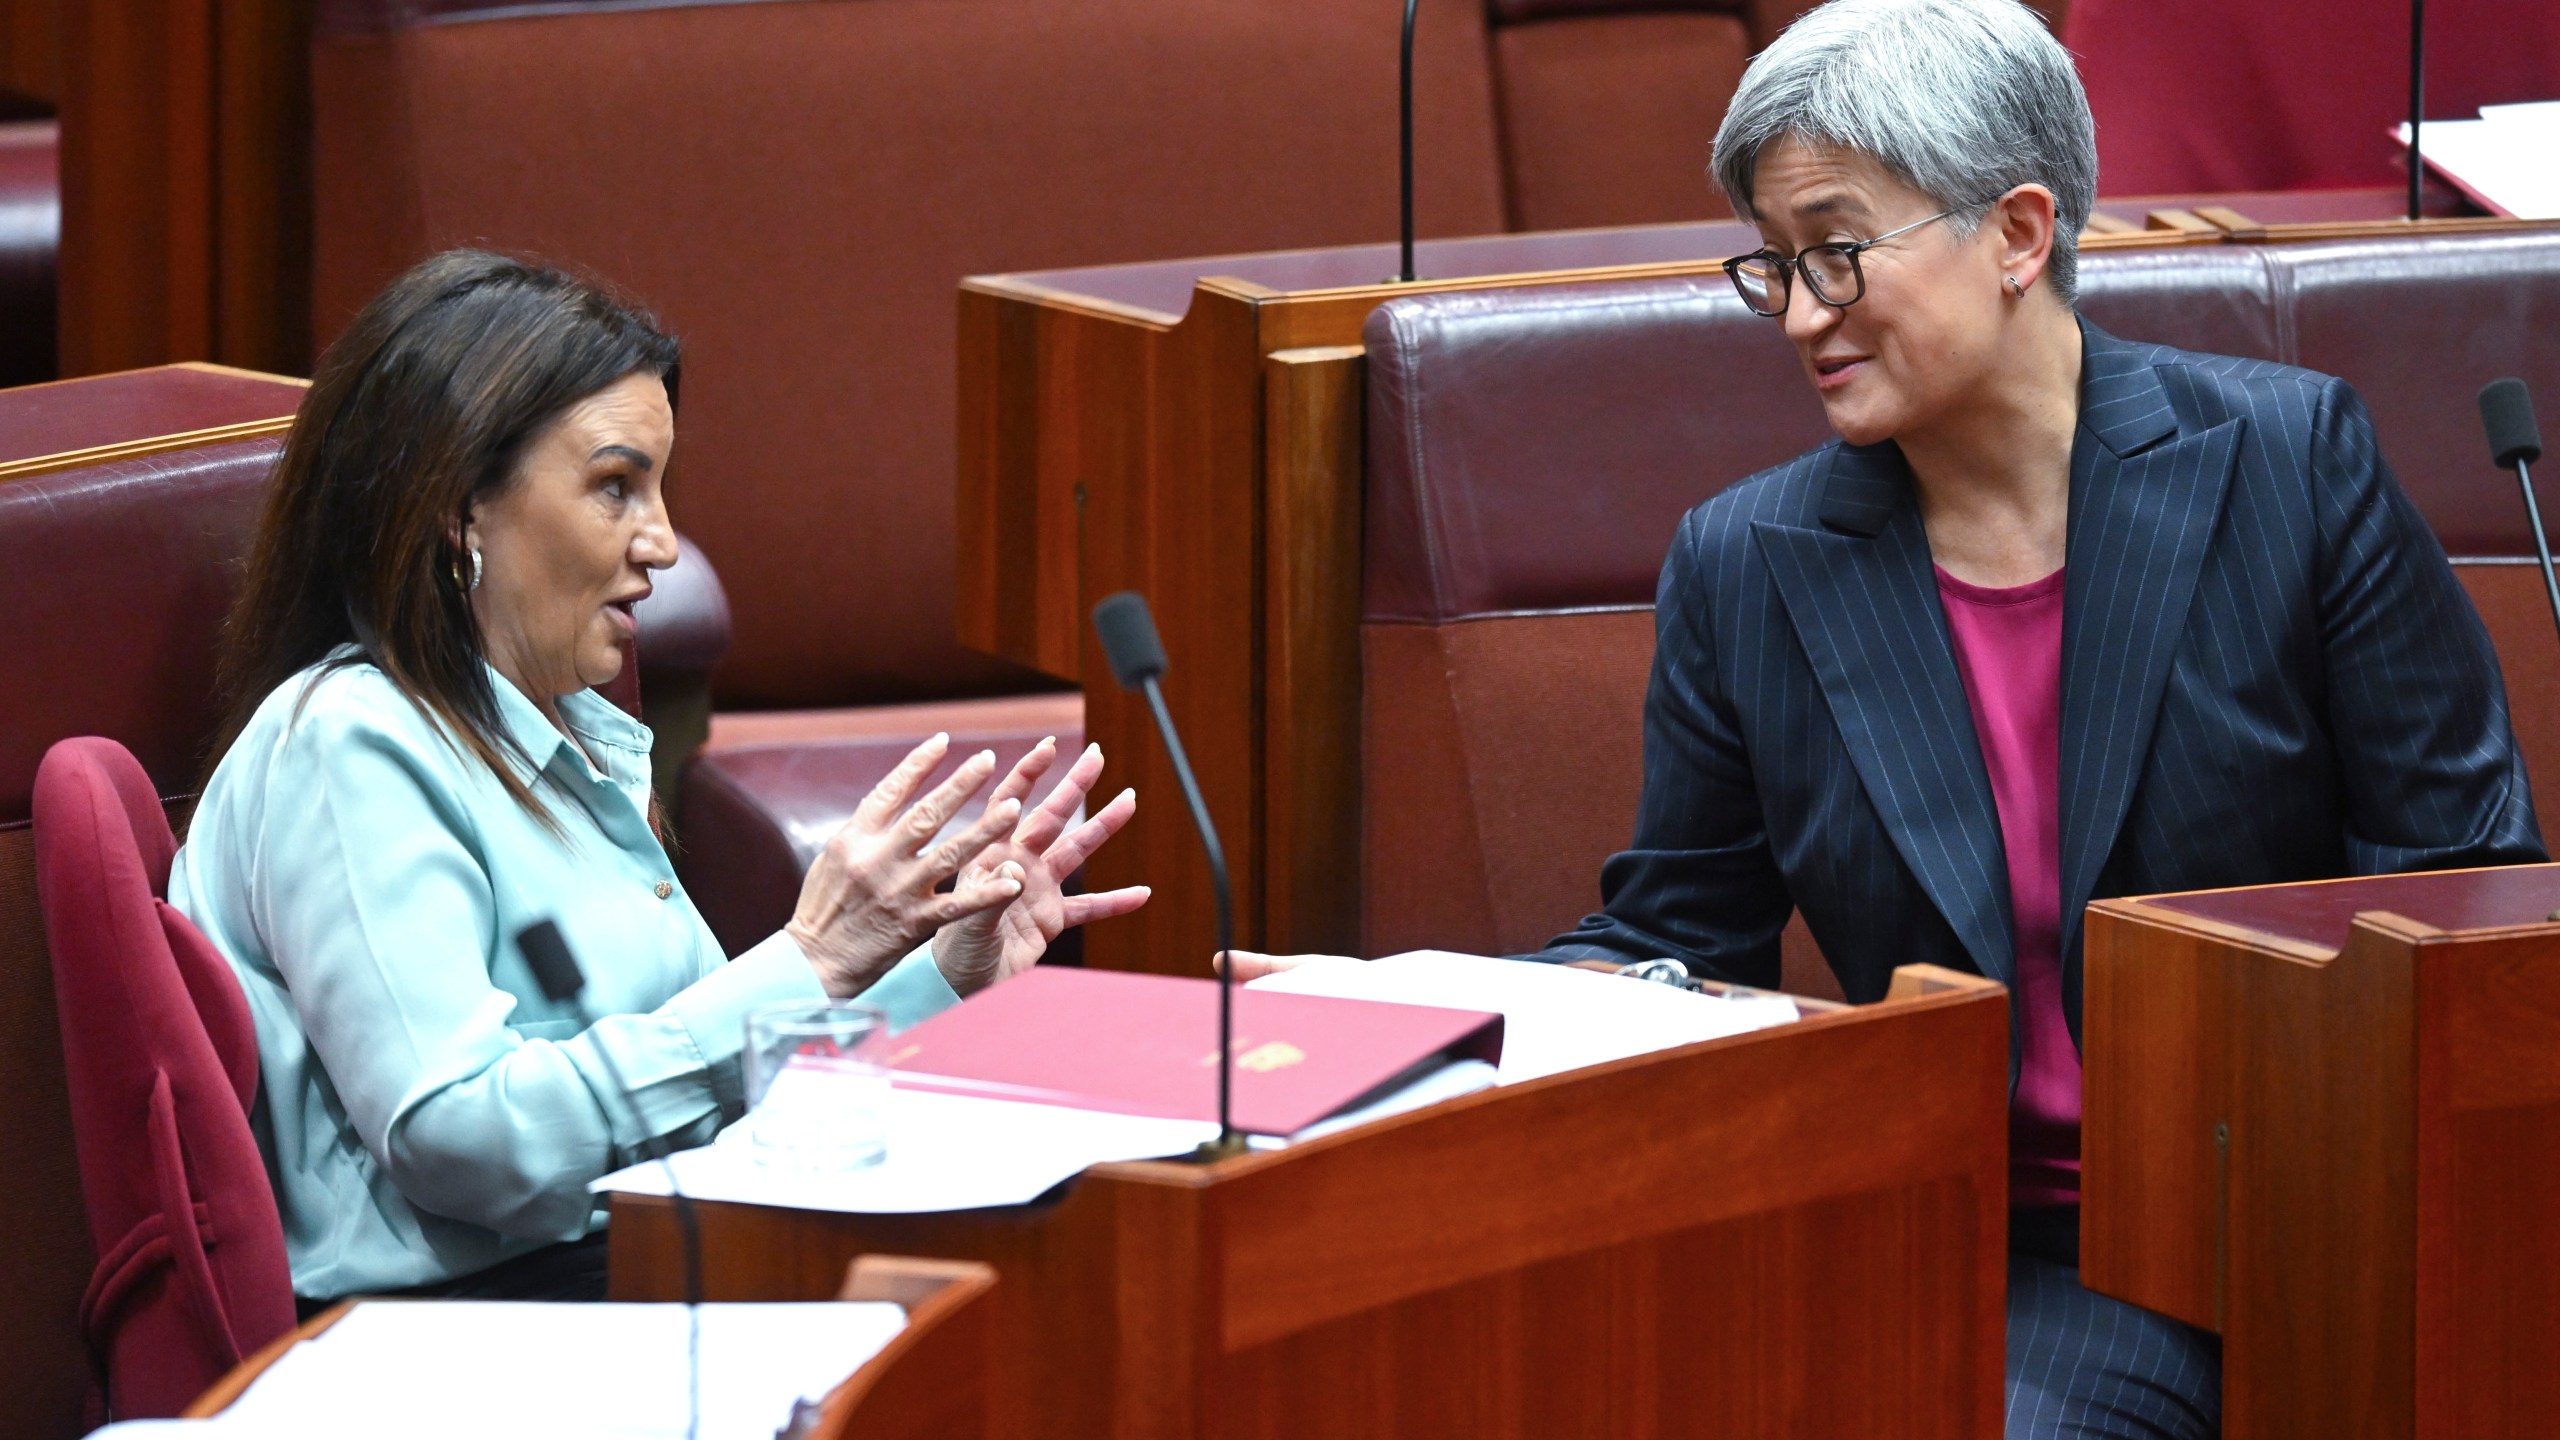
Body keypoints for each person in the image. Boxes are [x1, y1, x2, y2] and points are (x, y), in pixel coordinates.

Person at [1240, 0, 2543, 1434]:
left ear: (2018, 233)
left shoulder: (2290, 467)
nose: (1801, 316)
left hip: (2334, 1206)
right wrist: (1421, 1022)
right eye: (1774, 267)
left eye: (1839, 252)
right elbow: (1682, 936)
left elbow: (2466, 884)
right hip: (2020, 1252)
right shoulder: (1748, 565)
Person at [169, 250, 1149, 1306]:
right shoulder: (349, 743)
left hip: (638, 1252)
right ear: (457, 506)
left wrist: (940, 976)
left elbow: (692, 1083)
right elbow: (458, 1139)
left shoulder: (573, 739)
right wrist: (812, 957)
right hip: (475, 1324)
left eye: (657, 488)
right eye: (613, 487)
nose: (665, 544)